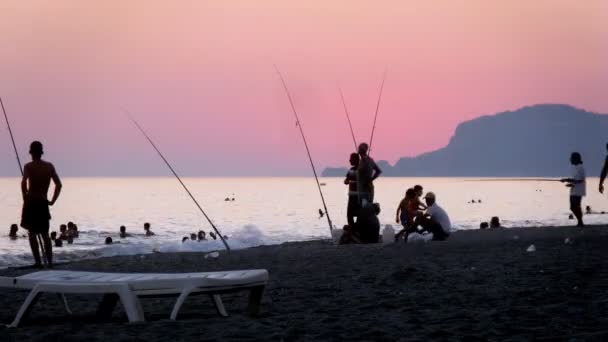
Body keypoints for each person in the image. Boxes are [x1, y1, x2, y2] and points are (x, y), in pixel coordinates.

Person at [20, 141, 62, 267]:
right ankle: (49, 262)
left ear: (31, 152)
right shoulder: (49, 166)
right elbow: (59, 185)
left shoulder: (28, 166)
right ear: (41, 152)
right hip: (43, 202)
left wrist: (24, 197)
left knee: (32, 234)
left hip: (31, 202)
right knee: (45, 234)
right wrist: (53, 200)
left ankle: (38, 262)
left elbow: (23, 182)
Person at [561, 152, 586, 227]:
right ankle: (580, 222)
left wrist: (568, 181)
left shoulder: (580, 167)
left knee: (575, 206)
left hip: (579, 190)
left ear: (575, 159)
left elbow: (581, 180)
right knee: (573, 207)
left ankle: (580, 222)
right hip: (574, 189)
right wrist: (567, 180)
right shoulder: (574, 167)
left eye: (571, 158)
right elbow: (575, 179)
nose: (570, 159)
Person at [344, 153, 360, 226]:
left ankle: (357, 229)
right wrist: (350, 181)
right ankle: (353, 229)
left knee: (359, 215)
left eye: (351, 159)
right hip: (351, 196)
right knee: (349, 215)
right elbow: (345, 181)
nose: (349, 160)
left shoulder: (361, 170)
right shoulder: (351, 170)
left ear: (355, 159)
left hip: (359, 197)